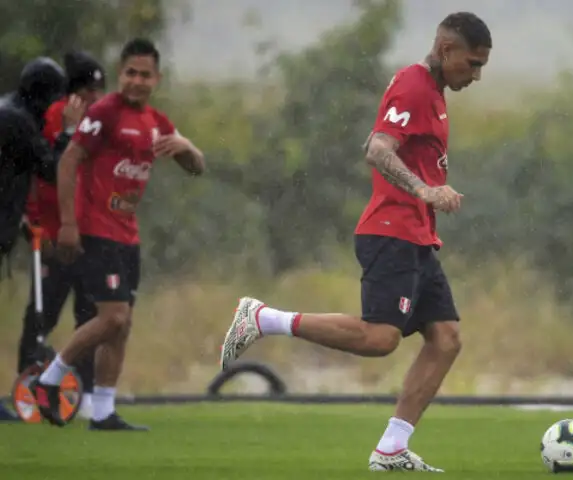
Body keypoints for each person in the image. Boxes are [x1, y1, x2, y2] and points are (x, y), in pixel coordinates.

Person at [220, 12, 492, 471]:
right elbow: (376, 148)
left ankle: (391, 448)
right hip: (391, 232)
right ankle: (263, 319)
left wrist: (426, 194)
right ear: (447, 51)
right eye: (472, 63)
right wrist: (424, 189)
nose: (477, 75)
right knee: (381, 338)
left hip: (418, 237)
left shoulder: (434, 93)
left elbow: (377, 135)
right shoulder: (414, 84)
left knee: (445, 339)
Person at [33, 38, 205, 431]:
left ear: (156, 79)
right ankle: (50, 379)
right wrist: (68, 224)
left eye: (145, 75)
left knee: (122, 325)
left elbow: (197, 167)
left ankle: (103, 412)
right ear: (120, 73)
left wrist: (186, 146)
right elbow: (67, 162)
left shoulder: (156, 122)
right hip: (96, 230)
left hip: (128, 236)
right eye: (130, 72)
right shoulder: (105, 113)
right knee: (112, 318)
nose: (137, 81)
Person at [18, 50, 107, 420]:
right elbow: (46, 177)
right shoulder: (53, 120)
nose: (96, 99)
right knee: (39, 317)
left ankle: (83, 394)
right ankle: (26, 389)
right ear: (75, 93)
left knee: (88, 317)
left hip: (90, 238)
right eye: (90, 91)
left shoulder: (100, 123)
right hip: (54, 238)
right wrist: (37, 223)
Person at [0, 57, 68, 422]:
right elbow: (53, 170)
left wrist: (21, 217)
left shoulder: (9, 111)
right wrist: (68, 133)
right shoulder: (18, 122)